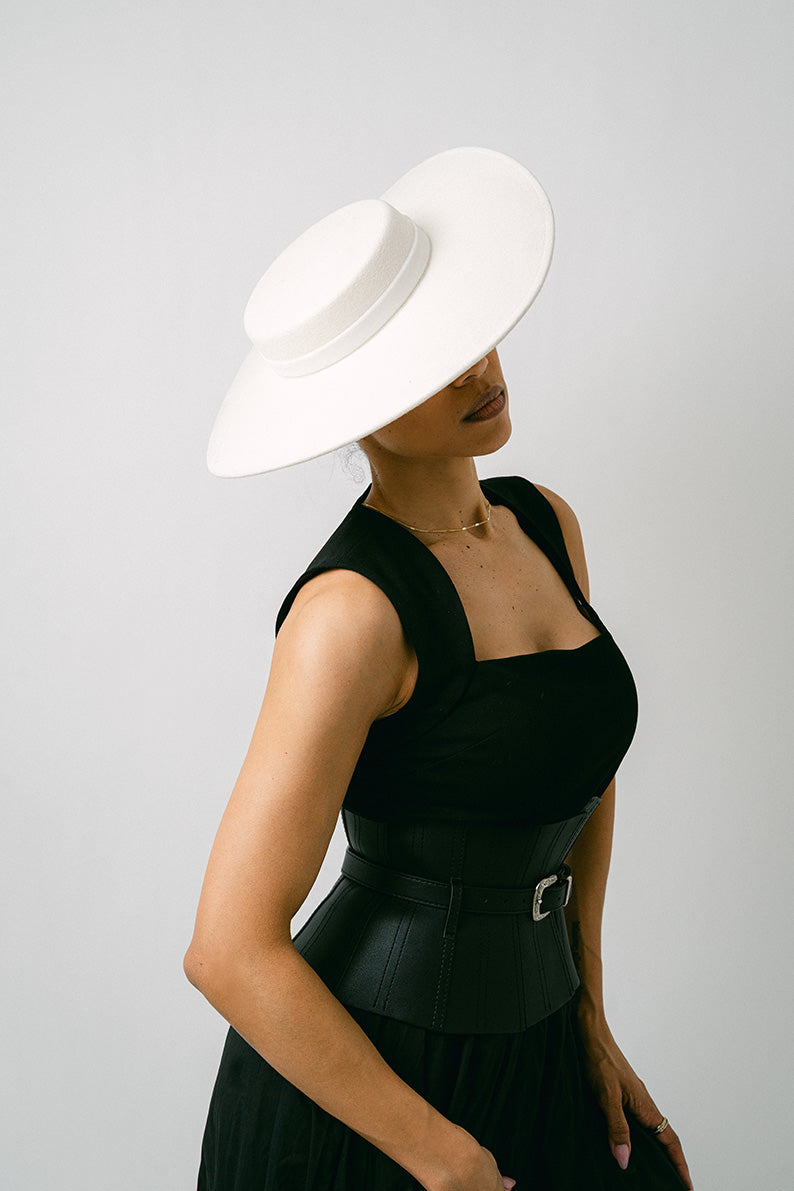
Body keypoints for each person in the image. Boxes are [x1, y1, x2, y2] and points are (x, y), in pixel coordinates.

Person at [185, 147, 694, 1190]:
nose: (478, 371)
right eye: (428, 365)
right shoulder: (349, 616)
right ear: (355, 410)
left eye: (468, 336)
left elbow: (575, 778)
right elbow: (228, 948)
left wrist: (591, 1018)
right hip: (377, 1092)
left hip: (544, 1039)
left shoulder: (540, 523)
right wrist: (440, 1158)